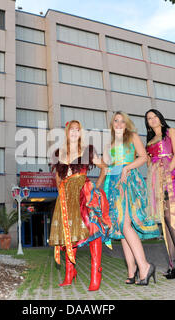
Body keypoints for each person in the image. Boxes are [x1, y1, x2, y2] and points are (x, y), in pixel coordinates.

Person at [49, 120, 111, 291]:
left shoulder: (87, 150)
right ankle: (70, 274)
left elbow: (104, 167)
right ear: (67, 133)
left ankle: (96, 274)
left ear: (80, 133)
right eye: (72, 130)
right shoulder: (59, 153)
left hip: (85, 194)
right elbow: (58, 178)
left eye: (78, 130)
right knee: (70, 233)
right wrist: (61, 194)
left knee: (92, 230)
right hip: (66, 197)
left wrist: (97, 186)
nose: (75, 132)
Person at [103, 111, 159, 286]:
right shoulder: (110, 143)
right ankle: (132, 270)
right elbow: (107, 167)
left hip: (128, 181)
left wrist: (127, 168)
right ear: (112, 125)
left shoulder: (133, 136)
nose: (118, 124)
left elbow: (143, 157)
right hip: (114, 183)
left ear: (126, 124)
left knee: (126, 225)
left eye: (122, 121)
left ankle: (145, 266)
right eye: (115, 121)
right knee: (121, 229)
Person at [144, 109, 175, 285]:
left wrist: (167, 173)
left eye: (154, 116)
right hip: (155, 181)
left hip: (170, 176)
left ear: (160, 117)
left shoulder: (170, 132)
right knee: (165, 219)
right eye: (149, 118)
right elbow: (149, 162)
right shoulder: (149, 141)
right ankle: (173, 263)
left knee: (172, 218)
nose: (152, 120)